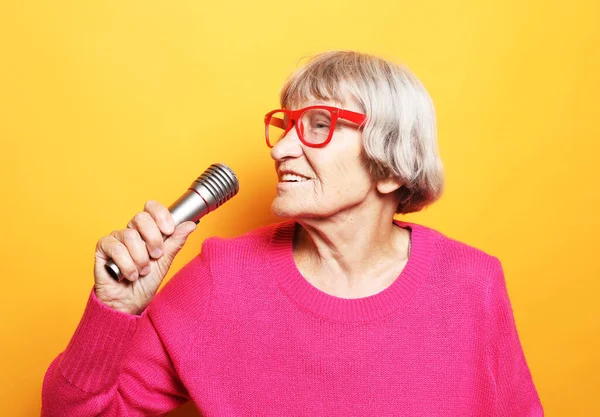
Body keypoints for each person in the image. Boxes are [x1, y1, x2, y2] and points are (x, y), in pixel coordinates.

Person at [41, 50, 544, 416]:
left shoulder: (471, 281)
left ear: (391, 165)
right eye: (284, 126)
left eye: (319, 124)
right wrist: (114, 312)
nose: (281, 150)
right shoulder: (221, 279)